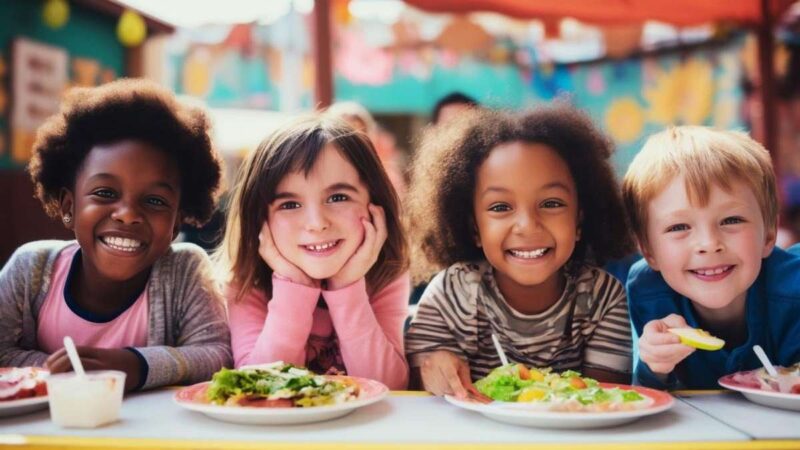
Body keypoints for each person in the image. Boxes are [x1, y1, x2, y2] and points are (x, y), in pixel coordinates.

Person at [0, 79, 232, 392]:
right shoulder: (31, 269)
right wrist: (63, 371)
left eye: (154, 201)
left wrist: (137, 364)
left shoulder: (184, 270)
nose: (128, 214)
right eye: (105, 192)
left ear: (177, 222)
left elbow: (216, 354)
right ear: (70, 205)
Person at [404, 105, 635, 398]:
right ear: (474, 228)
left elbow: (605, 400)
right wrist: (432, 372)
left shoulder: (603, 299)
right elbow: (417, 387)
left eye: (551, 203)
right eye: (500, 207)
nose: (527, 226)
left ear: (580, 219)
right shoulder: (453, 292)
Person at [216, 115, 410, 389]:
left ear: (374, 205)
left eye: (338, 197)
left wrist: (347, 287)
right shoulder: (247, 284)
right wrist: (295, 287)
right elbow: (259, 387)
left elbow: (388, 386)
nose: (317, 223)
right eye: (290, 204)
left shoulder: (386, 275)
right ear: (259, 220)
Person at [622, 126, 800, 389]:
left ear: (768, 235)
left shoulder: (793, 290)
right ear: (648, 250)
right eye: (679, 227)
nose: (709, 244)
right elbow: (654, 392)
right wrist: (655, 364)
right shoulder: (649, 292)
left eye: (731, 220)